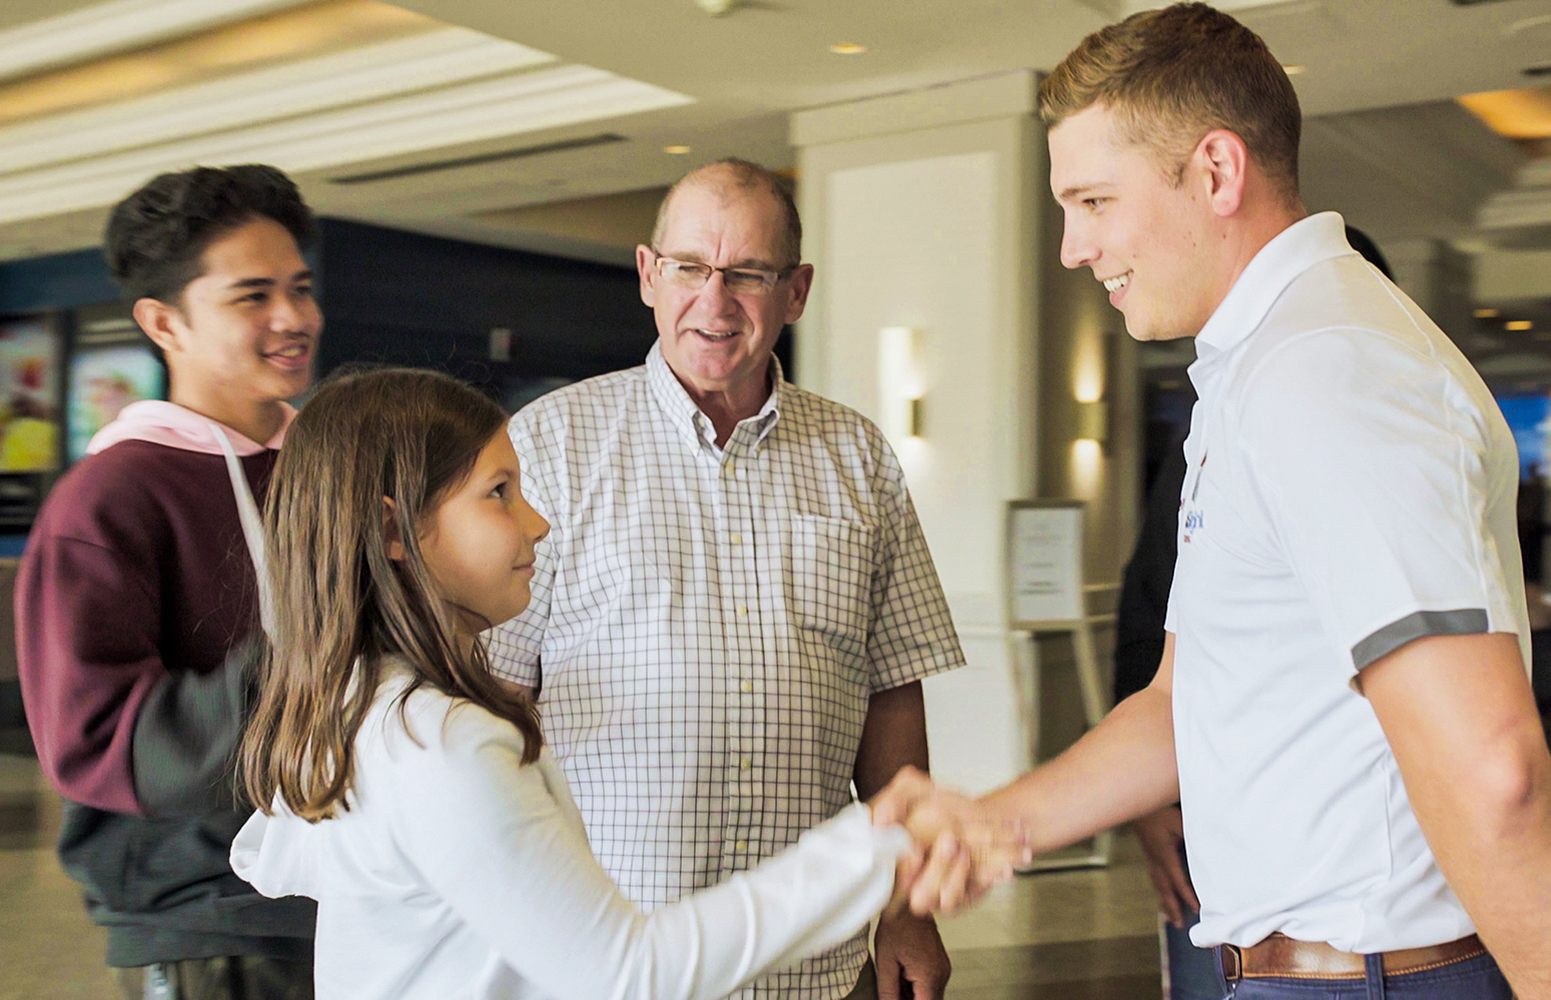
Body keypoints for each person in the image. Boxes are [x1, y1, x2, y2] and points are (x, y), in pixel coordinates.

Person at [912, 5, 1551, 999]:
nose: (1070, 246)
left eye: (1094, 201)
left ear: (1217, 172)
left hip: (1372, 982)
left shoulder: (1326, 371)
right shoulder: (1260, 370)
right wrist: (993, 820)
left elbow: (1492, 766)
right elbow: (1184, 701)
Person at [228, 368, 1023, 1000]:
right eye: (499, 494)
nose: (536, 523)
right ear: (396, 531)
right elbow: (627, 974)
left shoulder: (363, 704)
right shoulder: (442, 744)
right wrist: (873, 846)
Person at [488, 158, 966, 1000]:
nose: (715, 301)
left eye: (747, 273)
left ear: (797, 290)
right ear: (648, 274)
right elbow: (494, 695)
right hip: (612, 955)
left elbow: (892, 690)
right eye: (689, 268)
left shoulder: (857, 458)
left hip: (815, 962)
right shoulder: (550, 448)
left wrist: (905, 900)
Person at [15, 165, 320, 998]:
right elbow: (102, 745)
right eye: (252, 296)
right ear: (163, 322)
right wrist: (323, 647)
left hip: (351, 898)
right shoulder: (109, 499)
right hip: (209, 925)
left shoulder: (327, 470)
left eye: (299, 287)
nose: (293, 318)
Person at [1117, 227, 1393, 1000]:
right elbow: (1158, 643)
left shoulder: (1375, 441)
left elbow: (1486, 747)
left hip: (1355, 936)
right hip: (1236, 890)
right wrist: (1148, 800)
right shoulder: (1214, 438)